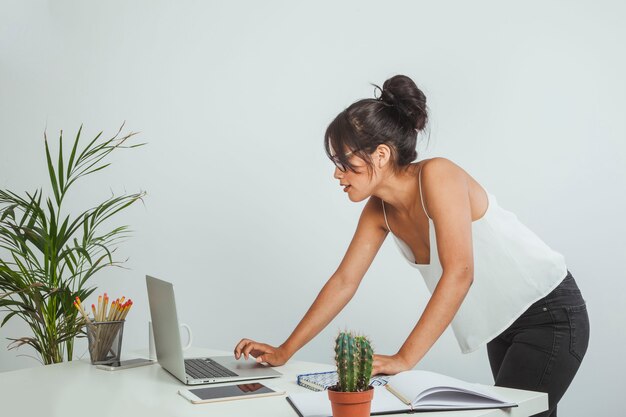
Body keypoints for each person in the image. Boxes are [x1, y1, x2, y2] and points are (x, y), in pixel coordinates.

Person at [234, 75, 589, 417]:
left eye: (345, 163)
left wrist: (405, 358)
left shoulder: (438, 175)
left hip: (550, 315)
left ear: (382, 154)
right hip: (502, 327)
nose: (337, 174)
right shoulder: (379, 211)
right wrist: (285, 350)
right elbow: (345, 282)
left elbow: (460, 272)